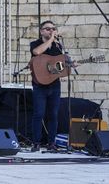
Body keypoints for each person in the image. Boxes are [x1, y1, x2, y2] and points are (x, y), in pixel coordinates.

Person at [30, 20, 63, 152]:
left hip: (54, 85)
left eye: (53, 29)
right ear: (41, 31)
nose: (51, 31)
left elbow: (58, 66)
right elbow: (37, 53)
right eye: (48, 29)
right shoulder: (35, 43)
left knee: (53, 115)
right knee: (38, 114)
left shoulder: (58, 46)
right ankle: (36, 142)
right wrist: (51, 40)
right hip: (39, 85)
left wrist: (69, 65)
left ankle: (51, 143)